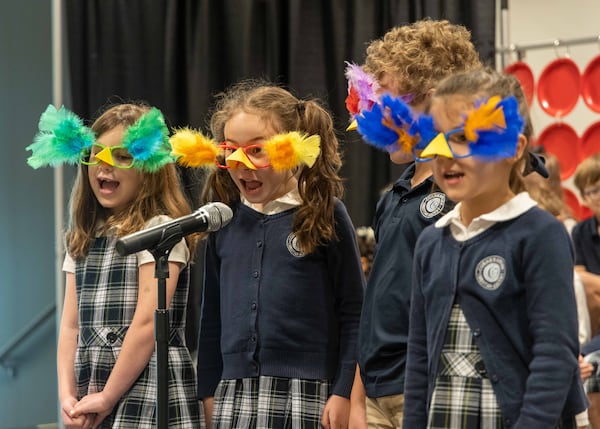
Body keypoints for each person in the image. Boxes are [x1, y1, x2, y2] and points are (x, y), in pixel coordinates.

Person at [402, 68, 588, 428]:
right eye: (438, 139)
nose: (446, 155)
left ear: (515, 148)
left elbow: (554, 353)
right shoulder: (432, 241)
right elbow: (419, 354)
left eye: (464, 138)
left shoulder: (539, 233)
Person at [173, 80, 365, 428]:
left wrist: (343, 392)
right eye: (232, 151)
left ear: (293, 148)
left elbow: (354, 313)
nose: (242, 165)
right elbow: (211, 316)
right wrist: (209, 392)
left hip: (308, 392)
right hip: (234, 392)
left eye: (257, 151)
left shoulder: (324, 213)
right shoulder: (225, 223)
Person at [27, 103, 202, 428]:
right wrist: (67, 396)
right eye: (97, 154)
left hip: (147, 382)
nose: (105, 166)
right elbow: (70, 326)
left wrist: (109, 396)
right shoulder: (82, 238)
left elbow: (147, 325)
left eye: (122, 157)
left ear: (149, 169)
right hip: (92, 385)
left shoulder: (160, 229)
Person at [345, 19, 482, 429]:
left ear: (432, 98)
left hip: (426, 383)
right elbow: (375, 302)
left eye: (384, 101)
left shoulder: (465, 187)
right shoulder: (393, 197)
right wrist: (356, 394)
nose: (371, 114)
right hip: (374, 390)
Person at [573, 153, 600, 429]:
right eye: (590, 191)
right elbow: (578, 280)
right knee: (585, 365)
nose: (596, 196)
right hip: (594, 330)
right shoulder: (581, 232)